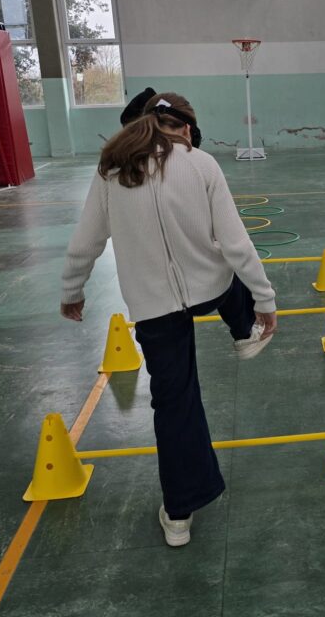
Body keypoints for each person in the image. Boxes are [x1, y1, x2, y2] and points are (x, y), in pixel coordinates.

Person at [60, 93, 276, 547]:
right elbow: (236, 242)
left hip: (153, 307)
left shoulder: (112, 169)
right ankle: (243, 332)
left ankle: (179, 515)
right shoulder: (202, 165)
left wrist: (72, 291)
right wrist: (265, 300)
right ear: (187, 130)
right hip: (210, 290)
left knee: (176, 404)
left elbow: (86, 240)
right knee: (227, 271)